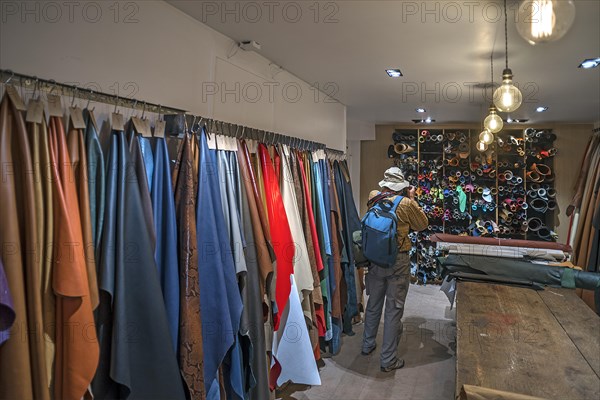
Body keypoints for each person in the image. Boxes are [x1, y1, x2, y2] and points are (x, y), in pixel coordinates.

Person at [361, 166, 428, 372]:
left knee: (373, 303)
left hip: (375, 257)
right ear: (402, 185)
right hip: (398, 260)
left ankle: (367, 344)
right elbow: (422, 225)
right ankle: (388, 360)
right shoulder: (406, 203)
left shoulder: (374, 196)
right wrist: (412, 198)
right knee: (393, 310)